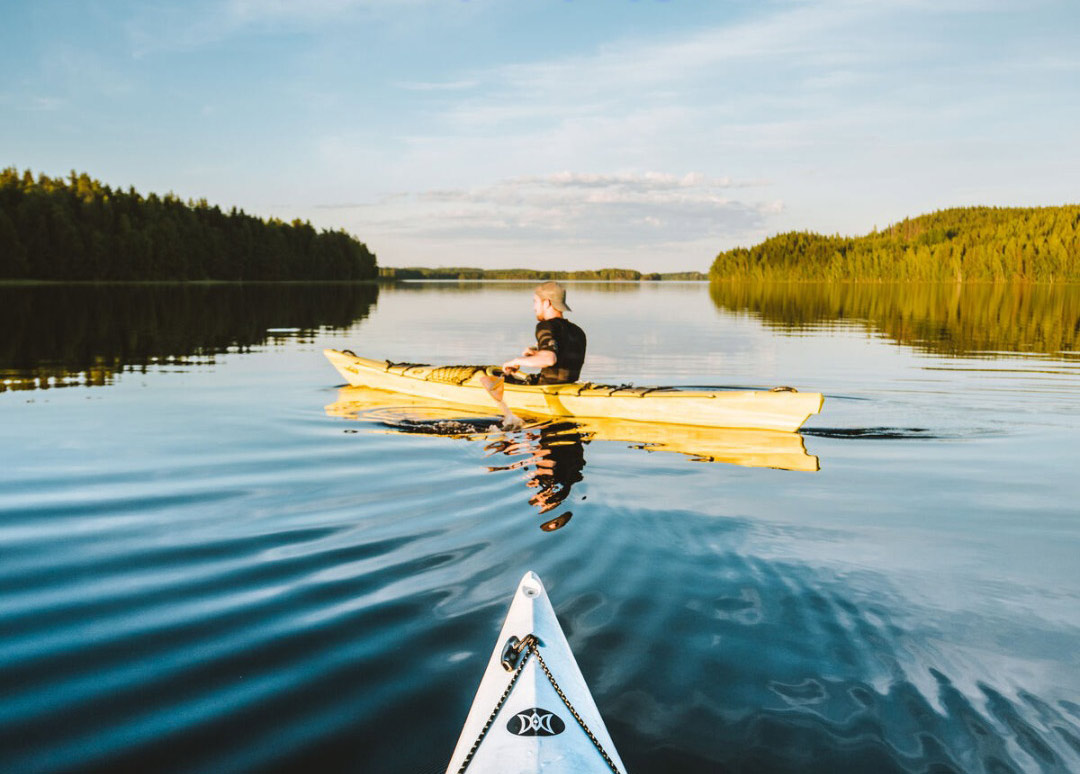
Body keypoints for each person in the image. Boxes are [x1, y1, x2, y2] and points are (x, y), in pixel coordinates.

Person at [501, 281, 587, 385]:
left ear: (547, 303)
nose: (534, 308)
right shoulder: (578, 331)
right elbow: (563, 358)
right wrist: (536, 354)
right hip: (570, 388)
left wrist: (516, 361)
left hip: (548, 389)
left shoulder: (545, 326)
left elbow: (549, 359)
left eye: (536, 302)